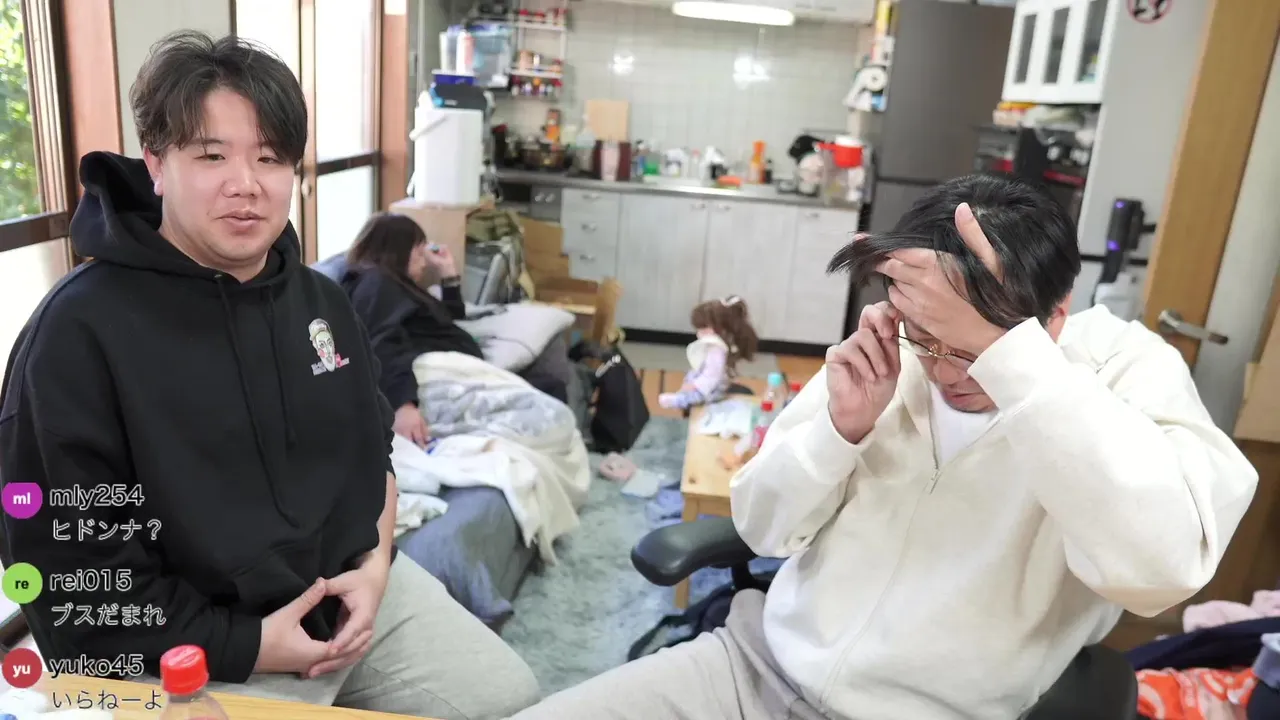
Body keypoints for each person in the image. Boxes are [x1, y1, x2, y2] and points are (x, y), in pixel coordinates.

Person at [509, 174, 1259, 720]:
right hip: (752, 668)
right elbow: (763, 526)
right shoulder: (891, 349)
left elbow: (1160, 570)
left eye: (974, 349)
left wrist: (1019, 369)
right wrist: (838, 432)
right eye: (927, 338)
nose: (946, 372)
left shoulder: (1128, 373)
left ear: (1056, 316)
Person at [0, 31, 539, 719]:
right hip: (194, 645)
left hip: (354, 599)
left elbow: (372, 452)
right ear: (156, 163)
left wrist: (375, 569)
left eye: (270, 157)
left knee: (509, 698)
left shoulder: (321, 302)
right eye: (212, 155)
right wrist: (248, 644)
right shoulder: (75, 336)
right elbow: (72, 587)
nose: (245, 184)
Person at [339, 212, 572, 442]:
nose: (425, 262)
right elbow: (380, 341)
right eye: (419, 253)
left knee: (551, 388)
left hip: (458, 373)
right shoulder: (376, 283)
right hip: (432, 386)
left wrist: (448, 274)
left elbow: (448, 318)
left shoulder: (393, 286)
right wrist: (403, 405)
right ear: (397, 251)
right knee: (550, 395)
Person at [658, 296, 759, 411]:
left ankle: (678, 400)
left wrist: (695, 385)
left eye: (702, 329)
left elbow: (711, 376)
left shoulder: (716, 350)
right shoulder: (723, 343)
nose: (698, 334)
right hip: (717, 380)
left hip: (713, 387)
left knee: (697, 395)